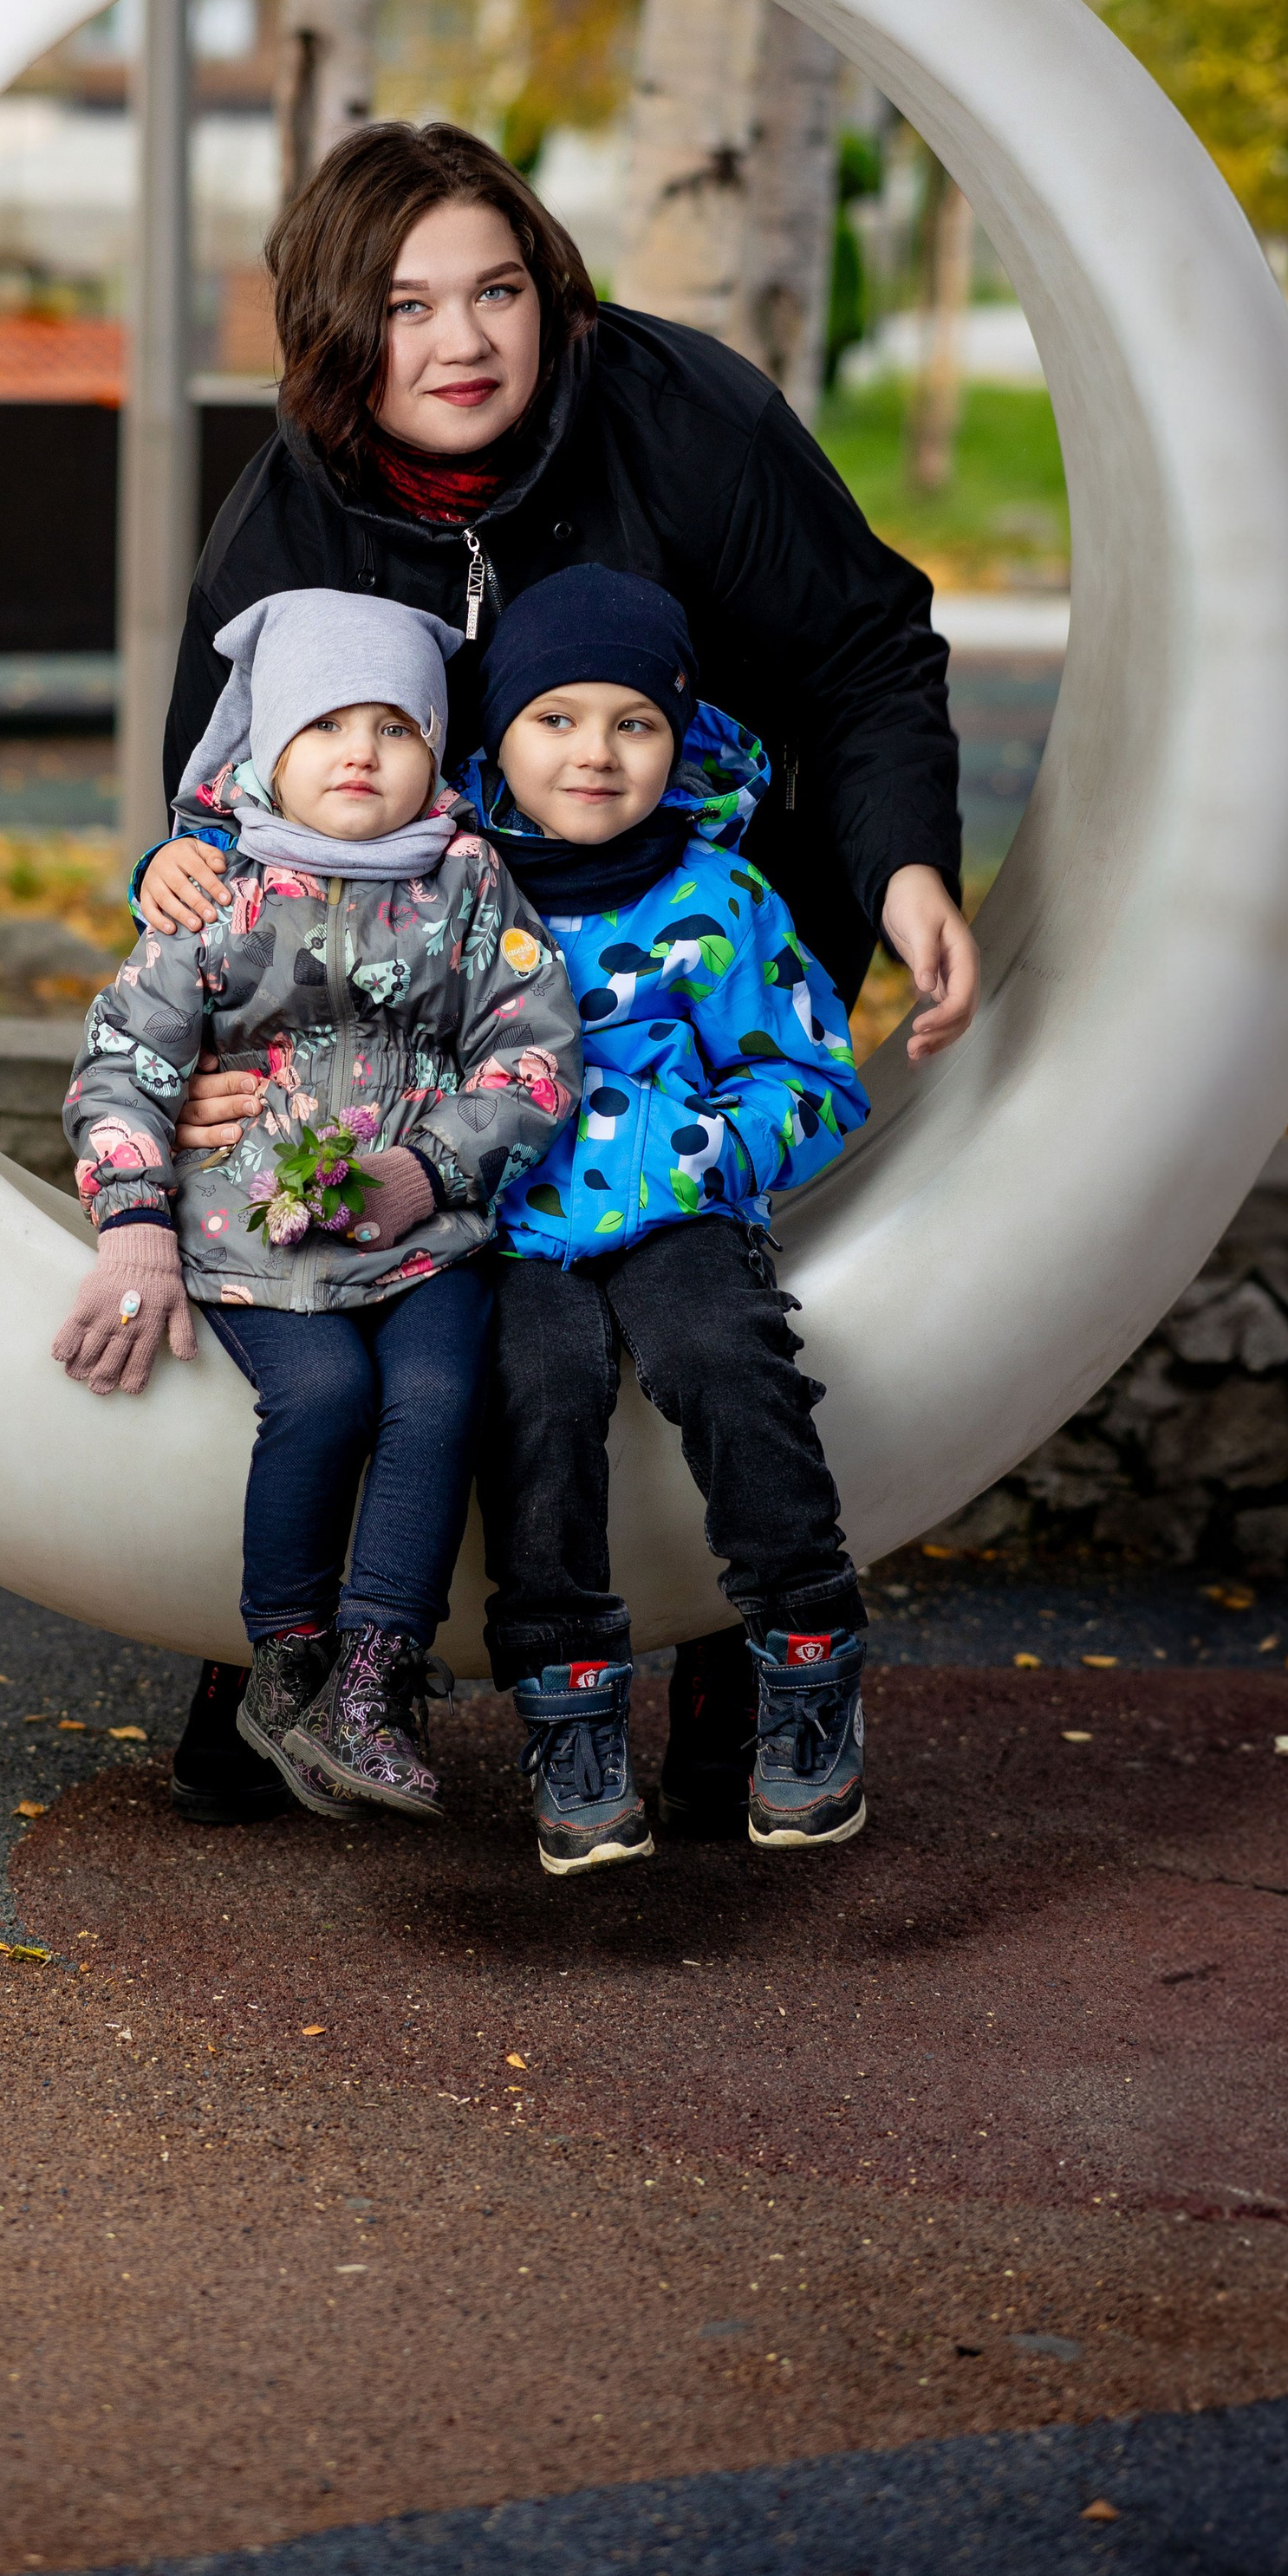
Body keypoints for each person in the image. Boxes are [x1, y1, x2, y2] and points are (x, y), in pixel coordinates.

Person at [152, 120, 973, 1826]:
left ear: (552, 293)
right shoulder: (288, 519)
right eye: (406, 305)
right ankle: (293, 1651)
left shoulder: (685, 419)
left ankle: (725, 1644)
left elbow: (862, 651)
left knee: (696, 1296)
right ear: (333, 334)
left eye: (498, 291)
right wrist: (218, 1053)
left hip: (689, 943)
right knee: (431, 1305)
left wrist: (900, 870)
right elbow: (217, 810)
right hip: (428, 998)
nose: (462, 341)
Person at [52, 589, 579, 1820]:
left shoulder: (466, 883)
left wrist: (430, 1169)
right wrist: (135, 1223)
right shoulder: (217, 891)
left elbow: (535, 1050)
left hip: (420, 1232)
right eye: (326, 725)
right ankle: (285, 1657)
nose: (361, 752)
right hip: (253, 1236)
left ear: (434, 751)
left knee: (439, 1393)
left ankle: (376, 1680)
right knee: (325, 1394)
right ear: (268, 749)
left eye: (396, 728)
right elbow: (124, 1061)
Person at [460, 566, 871, 1873]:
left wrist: (700, 1152)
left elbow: (813, 1078)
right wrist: (166, 867)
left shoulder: (722, 900)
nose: (595, 752)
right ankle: (570, 1713)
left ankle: (808, 1653)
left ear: (679, 740)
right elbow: (293, 933)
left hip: (677, 1212)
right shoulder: (446, 888)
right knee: (533, 1393)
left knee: (722, 1355)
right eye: (556, 719)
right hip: (509, 1229)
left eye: (634, 723)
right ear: (499, 734)